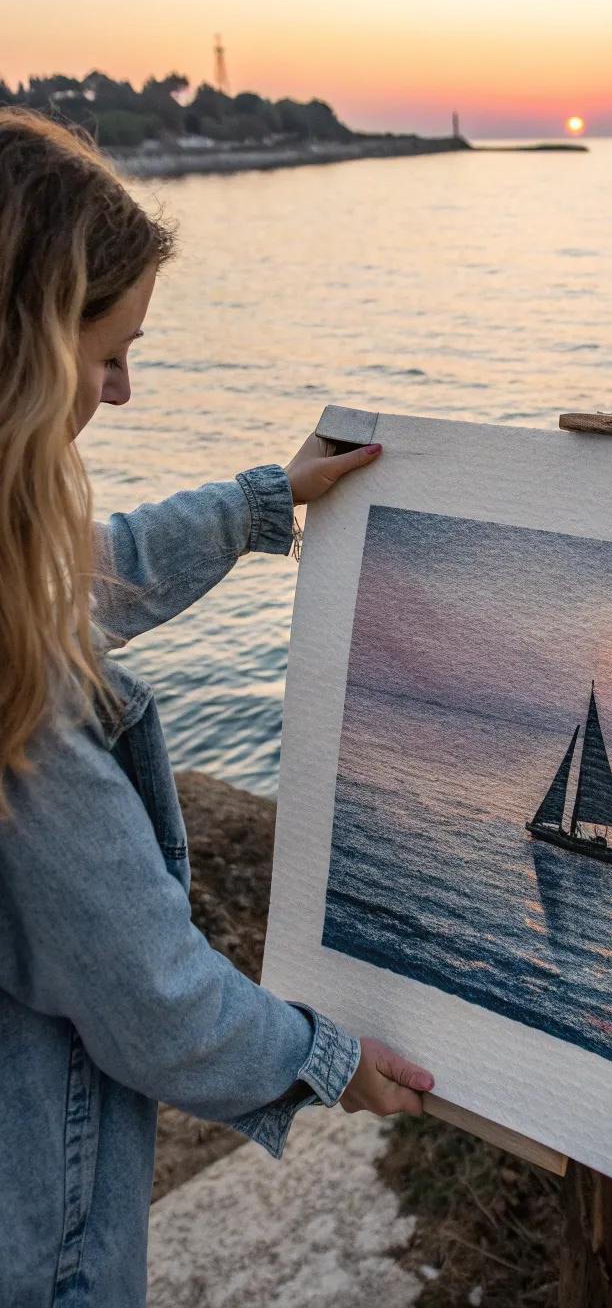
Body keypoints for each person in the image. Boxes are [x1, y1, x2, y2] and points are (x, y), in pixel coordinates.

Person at [0, 108, 434, 1307]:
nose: (123, 391)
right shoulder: (20, 707)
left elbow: (82, 566)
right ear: (32, 347)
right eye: (109, 353)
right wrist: (329, 1060)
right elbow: (156, 1000)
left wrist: (262, 504)